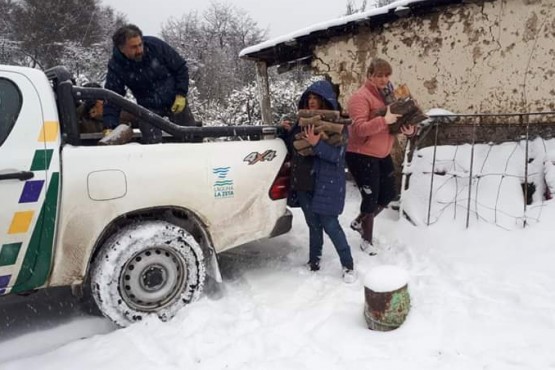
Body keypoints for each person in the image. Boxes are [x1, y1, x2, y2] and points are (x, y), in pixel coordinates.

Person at [282, 80, 356, 284]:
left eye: (316, 98)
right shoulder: (303, 121)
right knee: (313, 225)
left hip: (327, 182)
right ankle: (314, 261)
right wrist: (287, 132)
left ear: (325, 100)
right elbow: (293, 147)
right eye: (309, 98)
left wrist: (317, 145)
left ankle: (348, 265)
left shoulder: (338, 124)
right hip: (306, 181)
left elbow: (338, 156)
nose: (312, 101)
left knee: (331, 225)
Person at [346, 58, 417, 256]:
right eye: (379, 75)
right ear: (370, 75)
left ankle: (360, 221)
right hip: (361, 154)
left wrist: (408, 129)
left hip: (382, 154)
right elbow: (359, 129)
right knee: (370, 198)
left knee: (388, 194)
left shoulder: (390, 97)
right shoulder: (360, 98)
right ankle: (366, 239)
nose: (384, 79)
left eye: (387, 75)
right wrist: (383, 120)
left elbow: (395, 124)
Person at [102, 24, 197, 144]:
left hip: (174, 100)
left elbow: (181, 68)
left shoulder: (156, 46)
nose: (139, 50)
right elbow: (112, 97)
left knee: (192, 137)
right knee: (152, 144)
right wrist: (109, 126)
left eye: (140, 45)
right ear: (121, 49)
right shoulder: (117, 66)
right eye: (133, 47)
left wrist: (181, 94)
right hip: (147, 108)